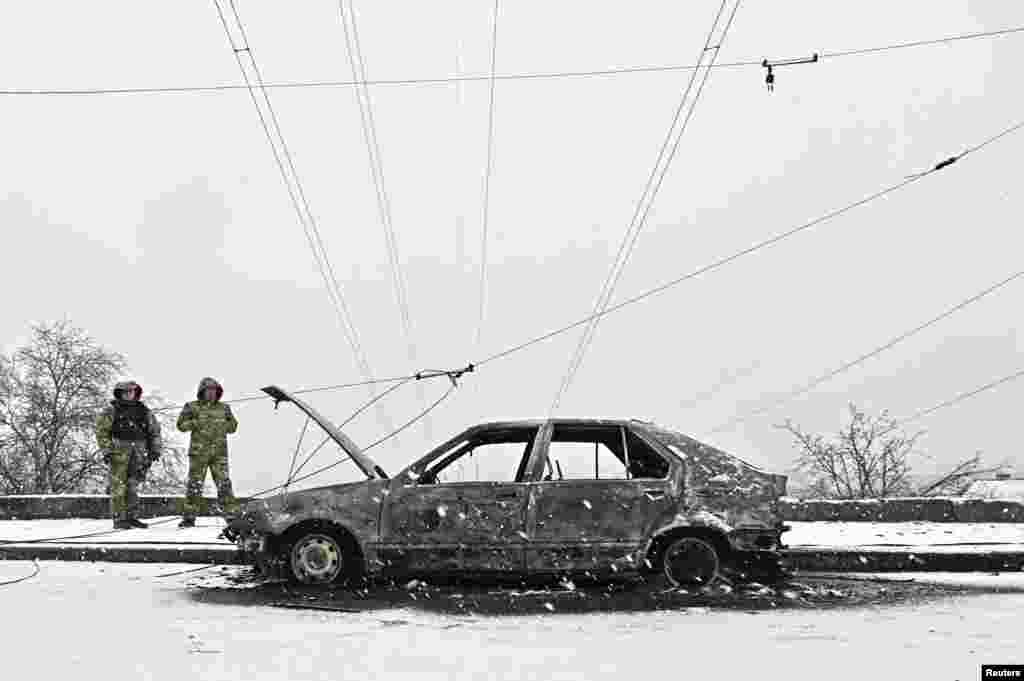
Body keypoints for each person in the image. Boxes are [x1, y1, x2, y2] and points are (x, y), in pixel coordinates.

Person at [95, 380, 162, 529]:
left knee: (133, 485)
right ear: (120, 393)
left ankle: (132, 516)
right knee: (118, 485)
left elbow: (154, 431)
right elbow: (101, 432)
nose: (129, 394)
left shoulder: (143, 410)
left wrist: (155, 449)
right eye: (126, 392)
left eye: (132, 391)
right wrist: (106, 450)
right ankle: (119, 518)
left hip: (139, 450)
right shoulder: (111, 410)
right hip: (119, 449)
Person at [177, 377, 239, 528]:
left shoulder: (224, 408)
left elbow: (233, 426)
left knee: (224, 484)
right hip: (199, 453)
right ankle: (189, 517)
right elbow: (181, 425)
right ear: (202, 391)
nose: (211, 393)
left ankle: (231, 516)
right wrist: (195, 423)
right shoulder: (191, 406)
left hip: (219, 453)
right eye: (208, 390)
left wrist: (223, 425)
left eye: (214, 390)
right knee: (195, 484)